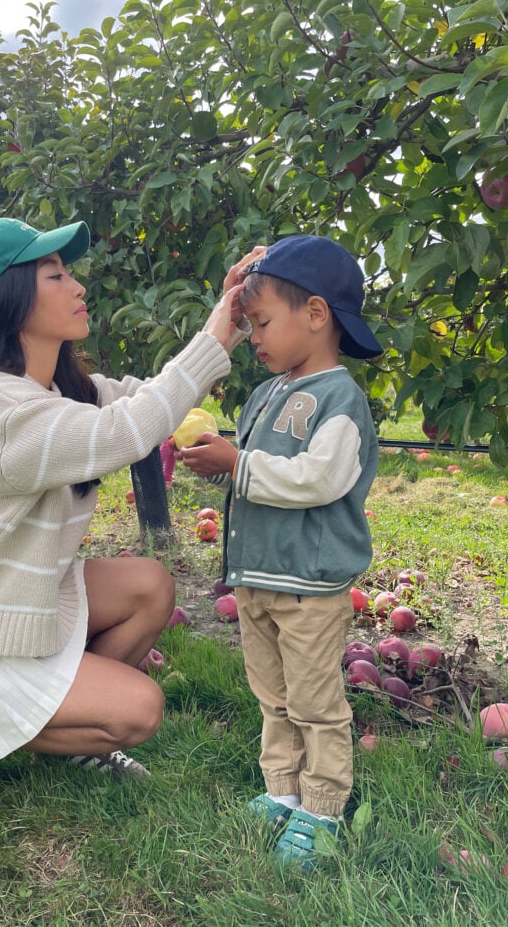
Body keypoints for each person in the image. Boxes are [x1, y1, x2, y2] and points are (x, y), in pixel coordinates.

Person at [0, 216, 247, 817]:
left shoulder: (55, 389)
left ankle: (57, 727)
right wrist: (214, 333)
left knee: (152, 586)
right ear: (8, 297)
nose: (78, 286)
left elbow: (142, 400)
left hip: (10, 603)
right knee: (139, 709)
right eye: (56, 274)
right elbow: (127, 429)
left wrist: (235, 326)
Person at [179, 234, 382, 870]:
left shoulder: (339, 399)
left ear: (316, 315)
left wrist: (237, 463)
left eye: (263, 323)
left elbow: (317, 480)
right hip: (258, 579)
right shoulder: (267, 392)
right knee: (272, 696)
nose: (255, 338)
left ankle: (322, 808)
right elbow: (257, 474)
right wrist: (217, 463)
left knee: (316, 704)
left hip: (310, 585)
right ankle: (282, 790)